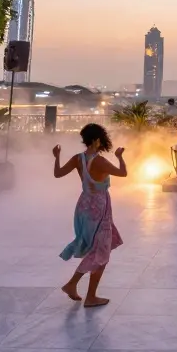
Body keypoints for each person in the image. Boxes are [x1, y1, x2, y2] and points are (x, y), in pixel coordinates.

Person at [55, 123, 126, 307]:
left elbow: (58, 173)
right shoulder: (100, 161)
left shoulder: (78, 159)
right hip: (98, 208)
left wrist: (56, 157)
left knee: (98, 248)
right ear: (96, 140)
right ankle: (84, 292)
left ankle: (79, 289)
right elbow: (123, 173)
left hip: (83, 206)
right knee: (100, 252)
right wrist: (119, 157)